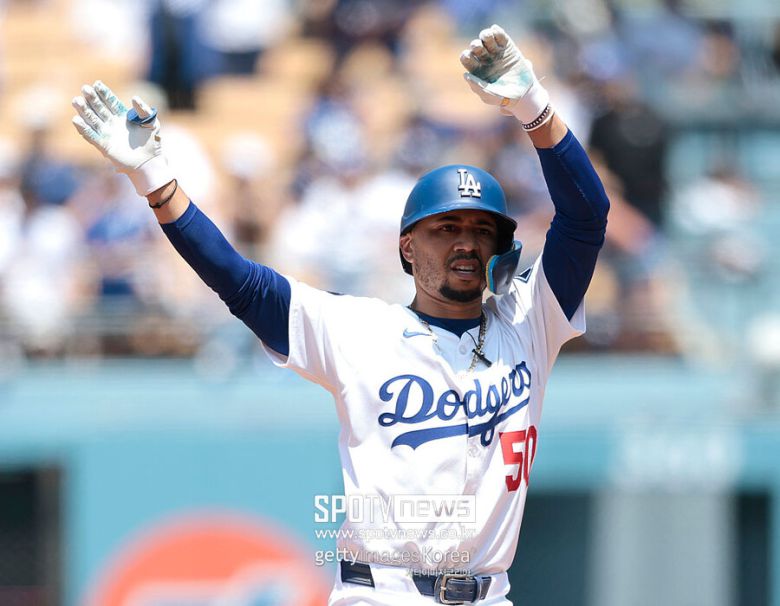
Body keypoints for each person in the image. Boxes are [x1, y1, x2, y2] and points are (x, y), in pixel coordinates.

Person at [72, 24, 609, 606]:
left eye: (483, 229)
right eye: (447, 227)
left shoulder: (530, 321)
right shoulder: (359, 331)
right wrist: (154, 179)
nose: (466, 241)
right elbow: (238, 280)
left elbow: (586, 217)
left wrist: (534, 108)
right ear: (408, 247)